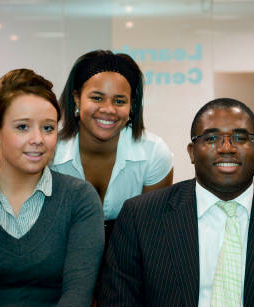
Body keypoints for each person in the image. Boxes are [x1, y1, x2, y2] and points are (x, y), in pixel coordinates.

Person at [91, 98, 254, 307]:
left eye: (240, 137)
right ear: (192, 152)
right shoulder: (140, 217)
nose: (227, 148)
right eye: (212, 138)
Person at [0, 69, 104, 307]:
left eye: (48, 128)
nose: (38, 140)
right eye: (22, 127)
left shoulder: (79, 198)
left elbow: (78, 294)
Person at [51, 50, 173, 230]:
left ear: (132, 105)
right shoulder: (50, 150)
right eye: (97, 98)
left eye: (119, 101)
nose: (108, 109)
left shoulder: (153, 153)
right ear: (77, 98)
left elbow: (152, 230)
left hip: (130, 252)